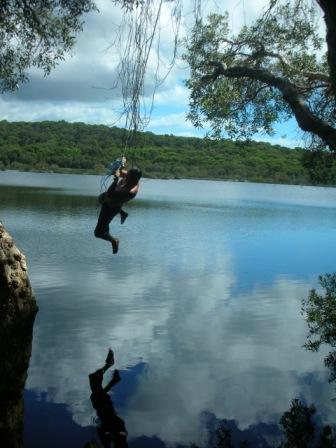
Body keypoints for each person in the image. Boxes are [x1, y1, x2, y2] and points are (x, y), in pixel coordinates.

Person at [94, 168, 142, 254]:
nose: (126, 176)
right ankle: (122, 213)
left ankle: (114, 241)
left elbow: (110, 194)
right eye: (127, 174)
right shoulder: (131, 178)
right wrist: (120, 165)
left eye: (128, 175)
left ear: (134, 178)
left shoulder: (130, 192)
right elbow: (120, 172)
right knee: (101, 199)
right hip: (111, 204)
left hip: (110, 209)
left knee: (98, 233)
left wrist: (115, 180)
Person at [88, 349, 128, 448]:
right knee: (93, 379)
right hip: (105, 410)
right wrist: (116, 433)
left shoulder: (107, 441)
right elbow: (119, 425)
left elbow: (92, 443)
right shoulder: (117, 438)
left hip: (103, 410)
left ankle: (114, 379)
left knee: (98, 389)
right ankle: (109, 365)